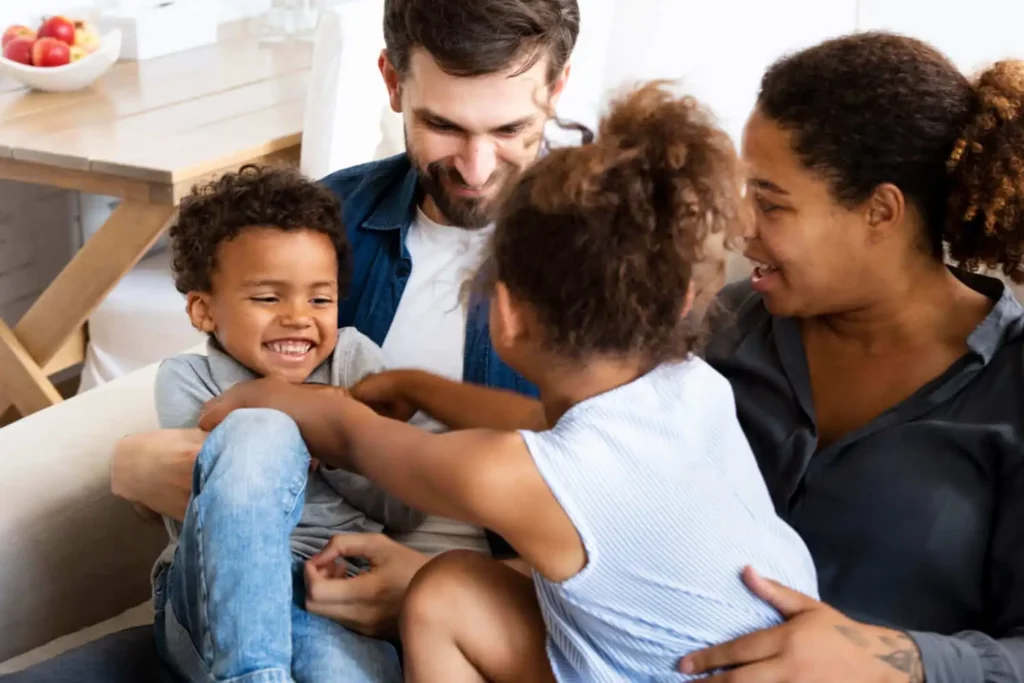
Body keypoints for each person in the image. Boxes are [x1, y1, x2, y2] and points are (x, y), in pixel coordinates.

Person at [347, 33, 1024, 683]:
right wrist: (442, 584)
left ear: (880, 212)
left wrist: (901, 662)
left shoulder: (1010, 389)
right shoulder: (727, 327)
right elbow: (600, 483)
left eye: (771, 200)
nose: (739, 226)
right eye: (742, 189)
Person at [199, 81, 819, 683]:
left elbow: (355, 437)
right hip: (759, 649)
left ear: (506, 312)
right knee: (456, 585)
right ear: (682, 301)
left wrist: (263, 397)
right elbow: (550, 430)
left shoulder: (507, 476)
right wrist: (421, 387)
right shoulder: (690, 384)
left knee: (442, 589)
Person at [63, 1, 581, 681]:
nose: (478, 167)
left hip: (473, 630)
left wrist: (439, 586)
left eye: (511, 128)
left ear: (558, 88)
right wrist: (136, 466)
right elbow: (211, 400)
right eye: (442, 125)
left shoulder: (610, 265)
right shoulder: (322, 229)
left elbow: (639, 515)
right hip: (248, 607)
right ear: (392, 82)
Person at [151, 165, 494, 683]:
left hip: (336, 593)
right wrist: (294, 420)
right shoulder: (187, 379)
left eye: (320, 298)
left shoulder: (356, 362)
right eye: (268, 297)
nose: (298, 317)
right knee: (256, 430)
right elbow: (199, 511)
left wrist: (337, 438)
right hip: (215, 594)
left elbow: (403, 508)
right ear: (202, 310)